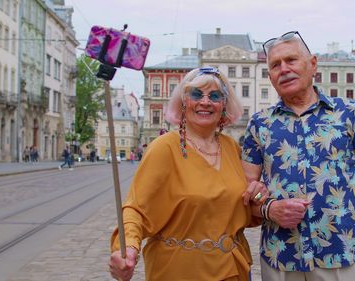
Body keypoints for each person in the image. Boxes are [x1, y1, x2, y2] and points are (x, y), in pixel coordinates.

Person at [242, 31, 355, 281]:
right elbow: (248, 191)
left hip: (344, 257)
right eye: (275, 65)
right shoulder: (259, 124)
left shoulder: (349, 113)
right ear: (269, 76)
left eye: (291, 60)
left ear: (313, 64)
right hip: (282, 260)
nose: (283, 69)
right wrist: (269, 208)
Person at [108, 67, 269, 281]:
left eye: (214, 96)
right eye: (196, 94)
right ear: (183, 102)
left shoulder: (232, 149)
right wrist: (128, 246)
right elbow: (136, 209)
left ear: (224, 105)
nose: (205, 102)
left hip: (233, 269)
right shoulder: (164, 148)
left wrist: (259, 194)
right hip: (180, 270)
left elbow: (247, 204)